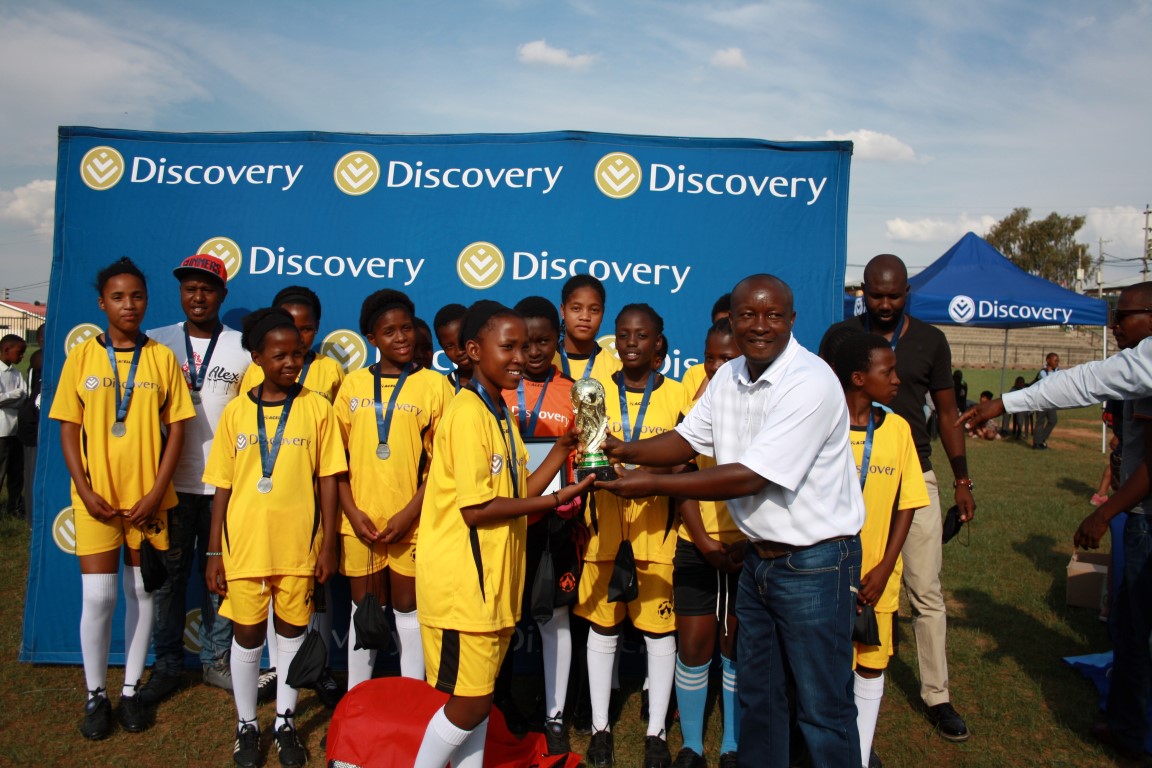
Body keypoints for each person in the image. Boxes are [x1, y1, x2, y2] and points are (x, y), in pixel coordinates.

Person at [599, 274, 865, 768]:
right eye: (748, 315)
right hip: (759, 562)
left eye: (773, 315)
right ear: (731, 319)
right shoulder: (728, 376)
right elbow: (686, 440)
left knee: (822, 708)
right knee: (759, 699)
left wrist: (652, 483)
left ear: (792, 319)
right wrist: (623, 450)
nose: (760, 326)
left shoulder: (810, 381)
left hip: (817, 565)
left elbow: (750, 476)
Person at [412, 300, 592, 768]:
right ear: (474, 350)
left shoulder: (498, 413)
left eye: (525, 346)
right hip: (462, 590)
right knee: (468, 704)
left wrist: (561, 453)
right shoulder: (467, 414)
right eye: (508, 347)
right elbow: (478, 510)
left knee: (481, 703)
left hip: (492, 588)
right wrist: (555, 500)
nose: (520, 357)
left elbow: (516, 491)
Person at [818, 254, 974, 742]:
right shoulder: (842, 337)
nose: (885, 304)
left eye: (894, 295)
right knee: (838, 583)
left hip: (913, 474)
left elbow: (946, 413)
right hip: (848, 471)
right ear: (862, 291)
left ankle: (937, 695)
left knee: (925, 590)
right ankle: (836, 696)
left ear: (908, 292)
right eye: (876, 294)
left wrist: (962, 480)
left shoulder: (930, 340)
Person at [49, 257, 194, 739]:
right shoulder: (82, 356)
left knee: (142, 592)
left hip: (147, 502)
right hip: (97, 500)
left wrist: (156, 491)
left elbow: (177, 429)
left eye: (136, 296)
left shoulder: (161, 358)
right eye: (118, 297)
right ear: (101, 303)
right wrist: (84, 488)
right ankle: (95, 694)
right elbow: (68, 427)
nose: (128, 305)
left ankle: (130, 690)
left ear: (146, 301)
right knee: (99, 595)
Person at [204, 307, 347, 768]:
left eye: (297, 354)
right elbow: (222, 486)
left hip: (298, 545)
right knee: (247, 636)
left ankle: (285, 721)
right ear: (257, 358)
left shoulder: (317, 408)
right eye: (279, 355)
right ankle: (247, 723)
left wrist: (328, 543)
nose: (290, 363)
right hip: (244, 545)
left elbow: (328, 480)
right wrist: (214, 550)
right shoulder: (235, 413)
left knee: (291, 634)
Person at [576, 303, 689, 768]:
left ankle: (656, 732)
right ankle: (600, 728)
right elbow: (586, 455)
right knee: (603, 627)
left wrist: (644, 476)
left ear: (658, 342)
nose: (631, 344)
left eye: (641, 336)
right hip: (605, 531)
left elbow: (686, 461)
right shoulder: (595, 393)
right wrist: (602, 472)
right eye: (623, 335)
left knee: (659, 634)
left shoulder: (679, 394)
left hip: (656, 533)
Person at [141, 253, 251, 706]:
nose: (198, 296)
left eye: (207, 288)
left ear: (222, 294)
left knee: (220, 578)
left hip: (224, 486)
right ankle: (166, 664)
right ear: (180, 293)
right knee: (167, 580)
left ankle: (215, 660)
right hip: (169, 485)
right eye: (190, 288)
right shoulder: (155, 342)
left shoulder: (244, 347)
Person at [334, 289, 452, 690]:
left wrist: (409, 514)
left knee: (408, 609)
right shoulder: (352, 385)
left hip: (411, 523)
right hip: (360, 523)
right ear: (371, 338)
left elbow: (441, 465)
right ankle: (356, 698)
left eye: (406, 328)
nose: (401, 338)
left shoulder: (435, 386)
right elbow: (335, 461)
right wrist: (352, 513)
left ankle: (412, 697)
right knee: (365, 609)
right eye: (389, 331)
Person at [239, 284, 344, 706]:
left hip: (312, 499)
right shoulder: (255, 374)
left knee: (315, 592)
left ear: (316, 330)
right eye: (288, 325)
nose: (297, 336)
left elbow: (334, 440)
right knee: (272, 588)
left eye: (305, 329)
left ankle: (318, 665)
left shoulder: (329, 372)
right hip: (268, 502)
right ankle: (278, 666)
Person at [1061, 283, 1152, 760]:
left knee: (1134, 628)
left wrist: (1104, 512)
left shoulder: (1147, 371)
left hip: (1144, 519)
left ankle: (1130, 730)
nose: (1115, 326)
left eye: (1124, 316)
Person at [832, 333, 928, 768]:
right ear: (858, 378)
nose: (896, 379)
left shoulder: (898, 428)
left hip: (876, 577)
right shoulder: (825, 424)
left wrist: (886, 565)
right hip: (827, 574)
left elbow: (907, 503)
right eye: (887, 372)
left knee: (871, 663)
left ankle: (860, 751)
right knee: (828, 667)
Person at [499, 295, 582, 754]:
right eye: (524, 343)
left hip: (554, 520)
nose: (532, 352)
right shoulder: (498, 389)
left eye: (543, 342)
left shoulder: (573, 391)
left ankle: (554, 715)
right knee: (501, 616)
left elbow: (586, 454)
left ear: (558, 340)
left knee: (555, 616)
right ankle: (499, 705)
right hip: (504, 521)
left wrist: (577, 496)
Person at [671, 318, 742, 768]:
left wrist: (743, 544)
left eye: (726, 358)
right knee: (694, 645)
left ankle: (732, 745)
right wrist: (702, 540)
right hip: (696, 544)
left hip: (746, 549)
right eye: (709, 358)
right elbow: (682, 478)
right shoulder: (693, 405)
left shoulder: (762, 406)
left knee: (735, 645)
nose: (715, 367)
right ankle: (692, 746)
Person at [555, 275, 620, 382]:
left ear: (602, 313)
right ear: (563, 311)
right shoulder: (545, 363)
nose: (585, 317)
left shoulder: (617, 371)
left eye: (594, 310)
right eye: (576, 308)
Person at [680, 293, 733, 399]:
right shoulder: (694, 374)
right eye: (719, 325)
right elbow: (690, 410)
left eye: (731, 326)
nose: (725, 331)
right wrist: (710, 378)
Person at [17, 324, 43, 523]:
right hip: (33, 431)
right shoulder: (40, 360)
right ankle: (33, 518)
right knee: (33, 475)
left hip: (35, 427)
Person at [0, 333, 27, 517]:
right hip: (2, 431)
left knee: (16, 473)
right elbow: (19, 394)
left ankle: (14, 507)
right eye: (19, 352)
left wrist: (10, 398)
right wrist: (15, 395)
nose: (22, 356)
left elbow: (25, 396)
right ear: (6, 349)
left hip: (16, 429)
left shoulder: (16, 373)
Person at [433, 303, 472, 392]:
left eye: (462, 340)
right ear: (442, 346)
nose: (459, 351)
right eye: (449, 346)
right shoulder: (442, 389)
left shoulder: (501, 379)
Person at [1032, 353, 1060, 449]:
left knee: (1053, 420)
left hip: (1051, 400)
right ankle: (1037, 443)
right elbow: (1048, 383)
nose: (1057, 362)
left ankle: (1041, 439)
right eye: (1055, 360)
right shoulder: (1042, 372)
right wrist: (1051, 372)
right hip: (1041, 399)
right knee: (1040, 421)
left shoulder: (1058, 371)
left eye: (1058, 360)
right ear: (1048, 360)